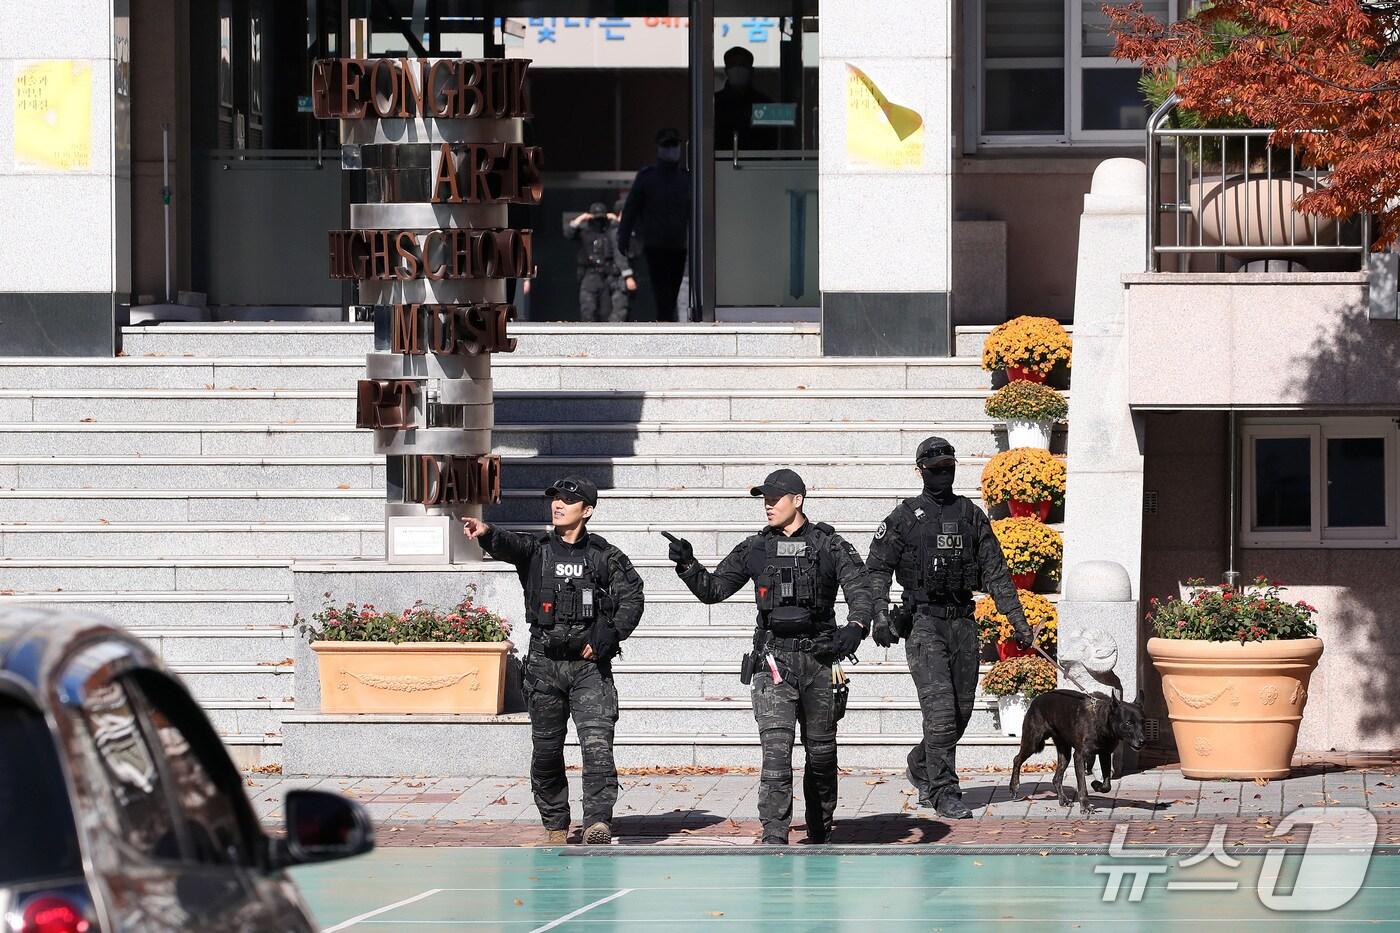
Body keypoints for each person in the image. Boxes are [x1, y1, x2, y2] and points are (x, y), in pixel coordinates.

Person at [664, 469, 874, 845]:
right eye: (764, 498)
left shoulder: (829, 544)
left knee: (821, 756)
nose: (768, 505)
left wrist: (854, 628)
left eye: (776, 498)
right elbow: (713, 590)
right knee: (776, 757)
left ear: (798, 500)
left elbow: (860, 590)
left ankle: (820, 827)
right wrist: (687, 566)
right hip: (773, 664)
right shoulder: (755, 548)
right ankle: (774, 833)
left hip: (820, 662)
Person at [463, 477, 644, 845]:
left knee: (597, 747)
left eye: (567, 500)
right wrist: (485, 531)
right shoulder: (537, 550)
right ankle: (556, 824)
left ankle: (597, 822)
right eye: (555, 499)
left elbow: (633, 598)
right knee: (546, 750)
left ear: (587, 510)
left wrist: (606, 638)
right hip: (545, 666)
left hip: (588, 669)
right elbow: (507, 544)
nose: (558, 505)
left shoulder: (605, 556)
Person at [865, 437, 1036, 820]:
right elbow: (876, 569)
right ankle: (943, 790)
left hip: (962, 622)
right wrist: (879, 614)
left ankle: (920, 761)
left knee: (960, 713)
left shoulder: (971, 516)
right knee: (941, 713)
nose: (943, 474)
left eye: (948, 468)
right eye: (936, 469)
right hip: (923, 623)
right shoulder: (905, 517)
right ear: (920, 471)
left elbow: (996, 574)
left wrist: (1019, 623)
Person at [618, 128, 690, 322]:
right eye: (667, 146)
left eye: (674, 145)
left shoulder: (686, 179)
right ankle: (665, 321)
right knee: (661, 290)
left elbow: (697, 212)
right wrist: (623, 236)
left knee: (672, 289)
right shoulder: (647, 178)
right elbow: (631, 208)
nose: (671, 150)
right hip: (654, 244)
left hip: (678, 244)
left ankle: (666, 320)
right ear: (659, 148)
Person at [566, 202, 631, 322]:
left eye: (602, 218)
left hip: (607, 275)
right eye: (597, 218)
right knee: (588, 309)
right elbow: (569, 232)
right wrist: (581, 218)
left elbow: (621, 234)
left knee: (606, 312)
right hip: (590, 274)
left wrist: (615, 220)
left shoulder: (609, 231)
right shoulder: (585, 232)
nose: (599, 222)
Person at [714, 46, 772, 151]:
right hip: (720, 165)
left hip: (756, 164)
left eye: (742, 65)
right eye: (733, 65)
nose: (738, 69)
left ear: (751, 70)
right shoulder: (714, 103)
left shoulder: (764, 104)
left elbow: (770, 141)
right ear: (726, 71)